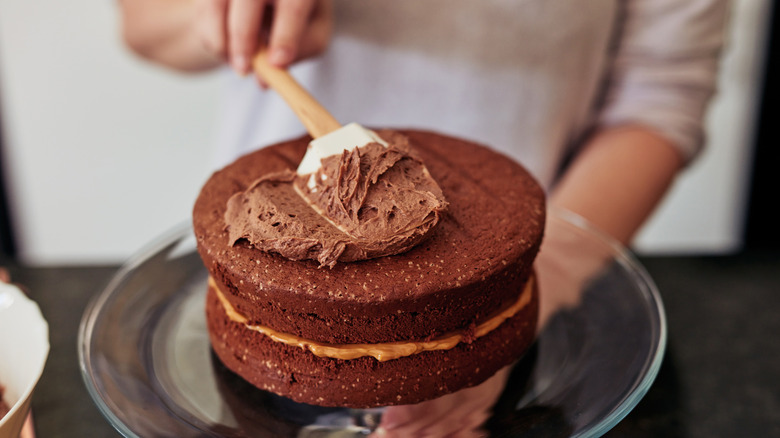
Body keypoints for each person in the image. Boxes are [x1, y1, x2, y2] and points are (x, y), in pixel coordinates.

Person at [118, 1, 729, 435]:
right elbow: (140, 23)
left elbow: (662, 93)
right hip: (265, 262)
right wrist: (215, 14)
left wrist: (506, 313)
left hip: (533, 306)